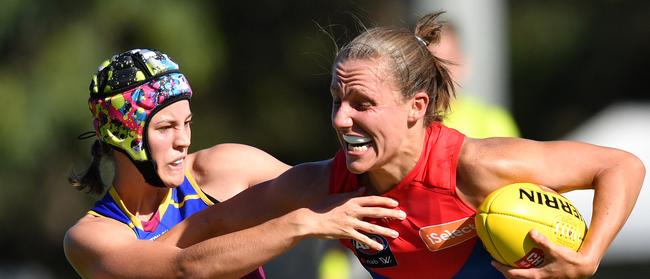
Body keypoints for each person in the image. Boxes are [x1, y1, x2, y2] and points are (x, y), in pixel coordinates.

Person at [212, 11, 645, 278]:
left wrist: (588, 257)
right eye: (336, 100)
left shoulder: (477, 165)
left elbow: (623, 166)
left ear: (416, 106)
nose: (341, 119)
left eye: (362, 103)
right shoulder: (328, 187)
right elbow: (192, 238)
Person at [63, 49, 406, 278]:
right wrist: (303, 223)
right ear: (121, 134)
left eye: (187, 123)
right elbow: (184, 269)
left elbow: (334, 186)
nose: (183, 139)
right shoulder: (91, 238)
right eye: (166, 127)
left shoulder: (224, 168)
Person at [433, 24, 520, 138]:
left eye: (449, 61)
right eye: (433, 62)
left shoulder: (493, 123)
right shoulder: (408, 123)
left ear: (464, 64)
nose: (441, 71)